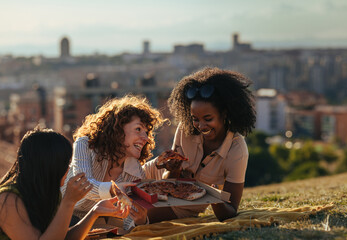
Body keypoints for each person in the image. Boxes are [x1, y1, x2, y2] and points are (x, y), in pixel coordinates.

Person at [143, 67, 256, 222]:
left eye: (208, 119)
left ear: (224, 114)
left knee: (135, 222)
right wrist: (174, 170)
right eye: (195, 118)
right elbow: (169, 180)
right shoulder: (185, 128)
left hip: (182, 208)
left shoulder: (237, 151)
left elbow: (229, 212)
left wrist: (214, 197)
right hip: (149, 178)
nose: (200, 125)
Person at [0, 127, 130, 240]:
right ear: (49, 165)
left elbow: (61, 237)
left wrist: (94, 212)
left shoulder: (49, 192)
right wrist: (68, 201)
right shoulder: (8, 199)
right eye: (65, 163)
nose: (68, 169)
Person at [62, 95, 165, 230]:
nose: (145, 138)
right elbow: (83, 186)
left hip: (97, 226)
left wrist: (141, 220)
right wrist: (112, 189)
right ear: (118, 129)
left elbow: (128, 219)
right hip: (63, 216)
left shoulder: (136, 172)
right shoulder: (85, 145)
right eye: (138, 129)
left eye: (147, 132)